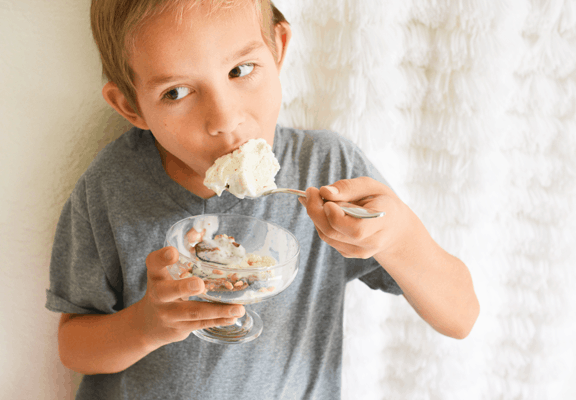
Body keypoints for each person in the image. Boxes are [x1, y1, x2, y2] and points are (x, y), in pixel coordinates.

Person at [46, 0, 480, 399]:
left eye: (240, 70)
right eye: (175, 92)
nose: (224, 119)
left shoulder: (326, 168)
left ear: (279, 47)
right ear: (130, 107)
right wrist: (146, 325)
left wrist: (399, 237)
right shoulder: (111, 186)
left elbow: (461, 316)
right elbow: (73, 347)